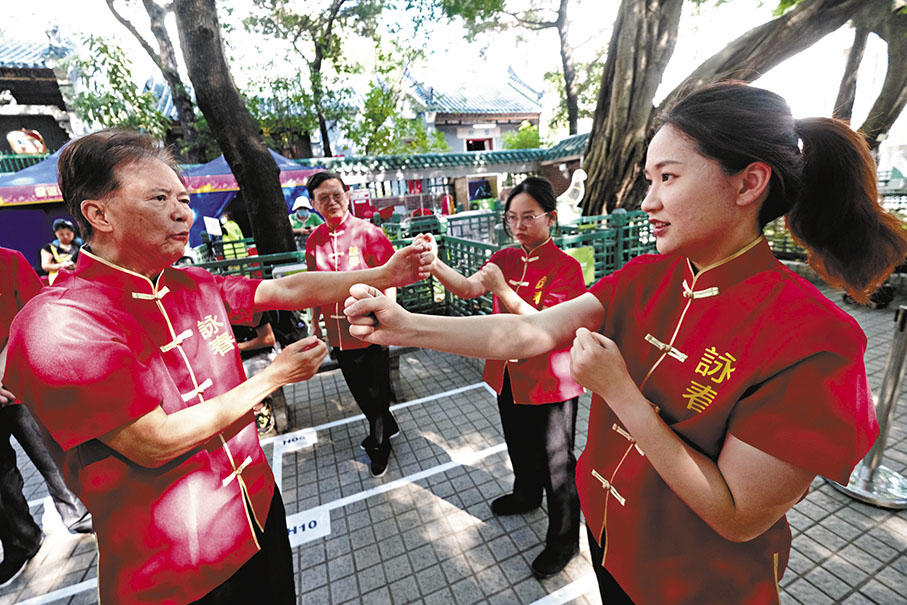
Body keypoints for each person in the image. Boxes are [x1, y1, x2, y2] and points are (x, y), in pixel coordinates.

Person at [343, 82, 907, 604]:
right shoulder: (645, 276)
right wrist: (404, 324)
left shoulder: (816, 340)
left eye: (668, 177)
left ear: (748, 182)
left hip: (698, 579)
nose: (647, 201)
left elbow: (738, 515)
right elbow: (531, 330)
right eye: (648, 179)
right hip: (611, 536)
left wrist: (622, 393)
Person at [5, 129, 432, 604]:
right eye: (160, 198)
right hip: (174, 564)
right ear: (97, 213)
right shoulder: (59, 322)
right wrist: (273, 377)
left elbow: (282, 291)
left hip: (254, 510)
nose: (183, 211)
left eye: (183, 198)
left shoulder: (188, 282)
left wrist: (384, 275)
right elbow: (153, 442)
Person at [424, 176, 585, 578]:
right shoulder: (505, 258)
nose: (518, 226)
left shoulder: (567, 269)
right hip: (509, 375)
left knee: (558, 464)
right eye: (511, 218)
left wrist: (503, 288)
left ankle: (564, 540)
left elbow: (548, 327)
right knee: (517, 442)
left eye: (528, 217)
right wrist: (434, 261)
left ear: (551, 218)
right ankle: (527, 495)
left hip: (551, 381)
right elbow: (465, 289)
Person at [0, 247, 92, 588]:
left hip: (20, 380)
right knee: (0, 477)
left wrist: (5, 365)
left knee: (50, 452)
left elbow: (35, 310)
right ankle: (21, 541)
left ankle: (80, 512)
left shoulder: (9, 260)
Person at [305, 171, 399, 477]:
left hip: (372, 329)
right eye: (324, 198)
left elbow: (392, 276)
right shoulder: (314, 241)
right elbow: (314, 287)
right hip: (337, 334)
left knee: (376, 392)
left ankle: (380, 445)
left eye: (337, 195)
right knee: (359, 391)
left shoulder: (368, 232)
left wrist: (391, 316)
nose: (332, 202)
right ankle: (387, 425)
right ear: (313, 203)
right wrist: (315, 324)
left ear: (347, 195)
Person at [40, 218, 81, 284]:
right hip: (59, 280)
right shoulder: (49, 248)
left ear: (73, 233)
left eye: (68, 234)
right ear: (56, 234)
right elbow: (45, 266)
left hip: (78, 278)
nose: (65, 236)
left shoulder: (80, 246)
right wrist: (62, 265)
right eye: (61, 234)